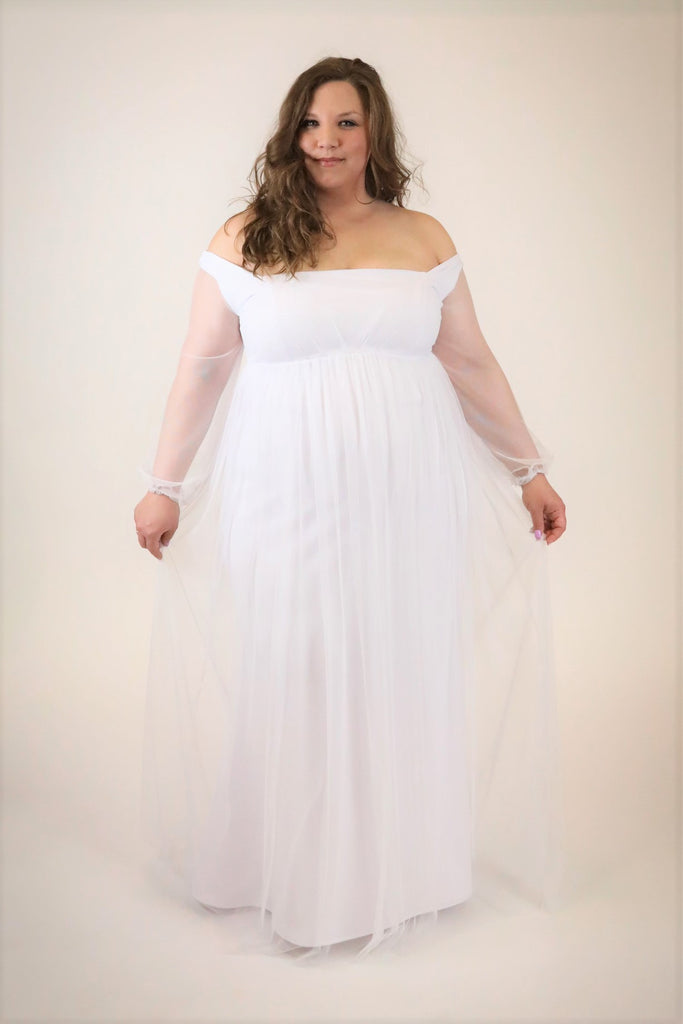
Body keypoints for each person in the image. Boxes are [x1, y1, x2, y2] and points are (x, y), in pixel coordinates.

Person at [133, 56, 567, 962]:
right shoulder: (247, 235)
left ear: (375, 134)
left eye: (345, 123)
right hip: (284, 486)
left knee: (396, 663)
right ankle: (296, 875)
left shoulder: (422, 236)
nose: (325, 141)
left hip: (407, 494)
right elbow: (202, 365)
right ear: (289, 131)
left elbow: (471, 362)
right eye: (310, 123)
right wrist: (164, 483)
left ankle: (395, 872)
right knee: (299, 662)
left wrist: (527, 469)